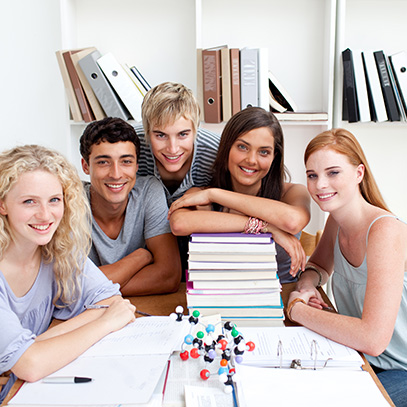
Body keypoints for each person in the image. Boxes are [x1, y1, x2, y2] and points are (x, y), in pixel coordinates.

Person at [0, 145, 136, 403]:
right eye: (29, 201)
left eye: (54, 200)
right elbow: (30, 366)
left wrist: (36, 346)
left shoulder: (56, 249)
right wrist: (105, 323)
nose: (45, 214)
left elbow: (112, 302)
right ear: (3, 204)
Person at [287, 128, 407, 406]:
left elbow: (373, 339)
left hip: (399, 368)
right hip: (360, 357)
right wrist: (306, 287)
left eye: (333, 173)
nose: (320, 186)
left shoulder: (385, 231)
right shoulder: (336, 220)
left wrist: (298, 310)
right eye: (312, 175)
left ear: (359, 174)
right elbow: (317, 265)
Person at [168, 107, 311, 282]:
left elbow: (292, 221)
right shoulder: (200, 194)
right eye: (243, 147)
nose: (251, 160)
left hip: (281, 298)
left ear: (275, 157)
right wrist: (267, 227)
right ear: (227, 148)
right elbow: (179, 224)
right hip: (216, 300)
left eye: (264, 152)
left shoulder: (292, 192)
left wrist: (216, 195)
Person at [79, 117, 181, 296]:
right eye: (103, 162)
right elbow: (70, 288)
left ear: (136, 166)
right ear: (86, 166)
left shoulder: (149, 190)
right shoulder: (72, 200)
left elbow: (169, 276)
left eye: (126, 161)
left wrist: (94, 288)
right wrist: (140, 257)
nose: (116, 174)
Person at [135, 81, 221, 206]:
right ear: (147, 131)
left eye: (182, 134)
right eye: (161, 135)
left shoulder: (215, 152)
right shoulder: (131, 145)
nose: (173, 149)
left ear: (196, 129)